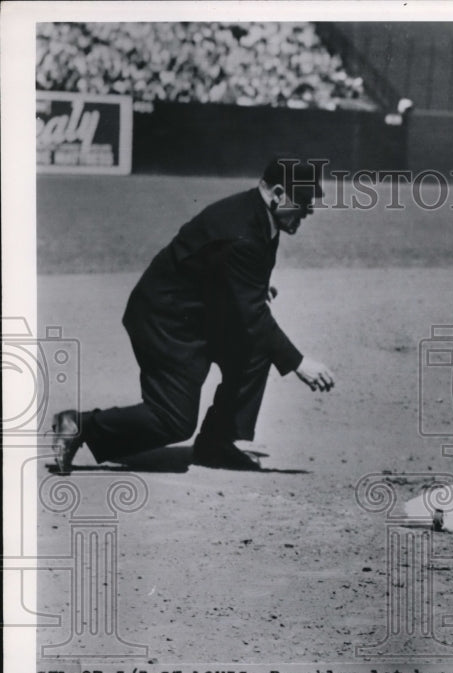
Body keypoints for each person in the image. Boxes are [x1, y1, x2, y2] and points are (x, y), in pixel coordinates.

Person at [51, 155, 335, 474]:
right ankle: (78, 425)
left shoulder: (259, 215)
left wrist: (249, 288)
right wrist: (298, 363)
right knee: (173, 422)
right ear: (279, 194)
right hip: (164, 322)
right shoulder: (242, 229)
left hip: (194, 314)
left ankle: (217, 443)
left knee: (255, 348)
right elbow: (251, 313)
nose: (310, 210)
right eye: (305, 201)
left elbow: (218, 269)